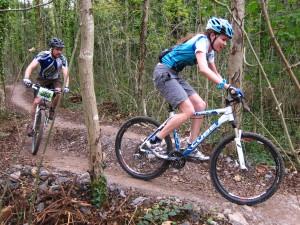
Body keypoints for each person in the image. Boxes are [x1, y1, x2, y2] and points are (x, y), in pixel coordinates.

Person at [148, 17, 242, 160]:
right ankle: (154, 141)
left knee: (200, 105)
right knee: (189, 110)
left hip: (173, 74)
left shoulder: (210, 51)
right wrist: (227, 86)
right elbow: (203, 69)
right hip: (163, 73)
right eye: (223, 39)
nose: (224, 43)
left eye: (226, 41)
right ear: (212, 35)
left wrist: (230, 88)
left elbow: (215, 74)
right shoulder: (202, 42)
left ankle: (191, 146)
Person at [23, 37, 70, 137]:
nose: (59, 51)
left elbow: (66, 73)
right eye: (57, 49)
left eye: (61, 49)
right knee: (37, 101)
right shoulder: (43, 55)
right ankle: (31, 124)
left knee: (58, 92)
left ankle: (52, 109)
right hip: (42, 80)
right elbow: (31, 67)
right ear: (52, 48)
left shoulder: (62, 59)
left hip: (55, 80)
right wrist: (26, 78)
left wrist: (66, 86)